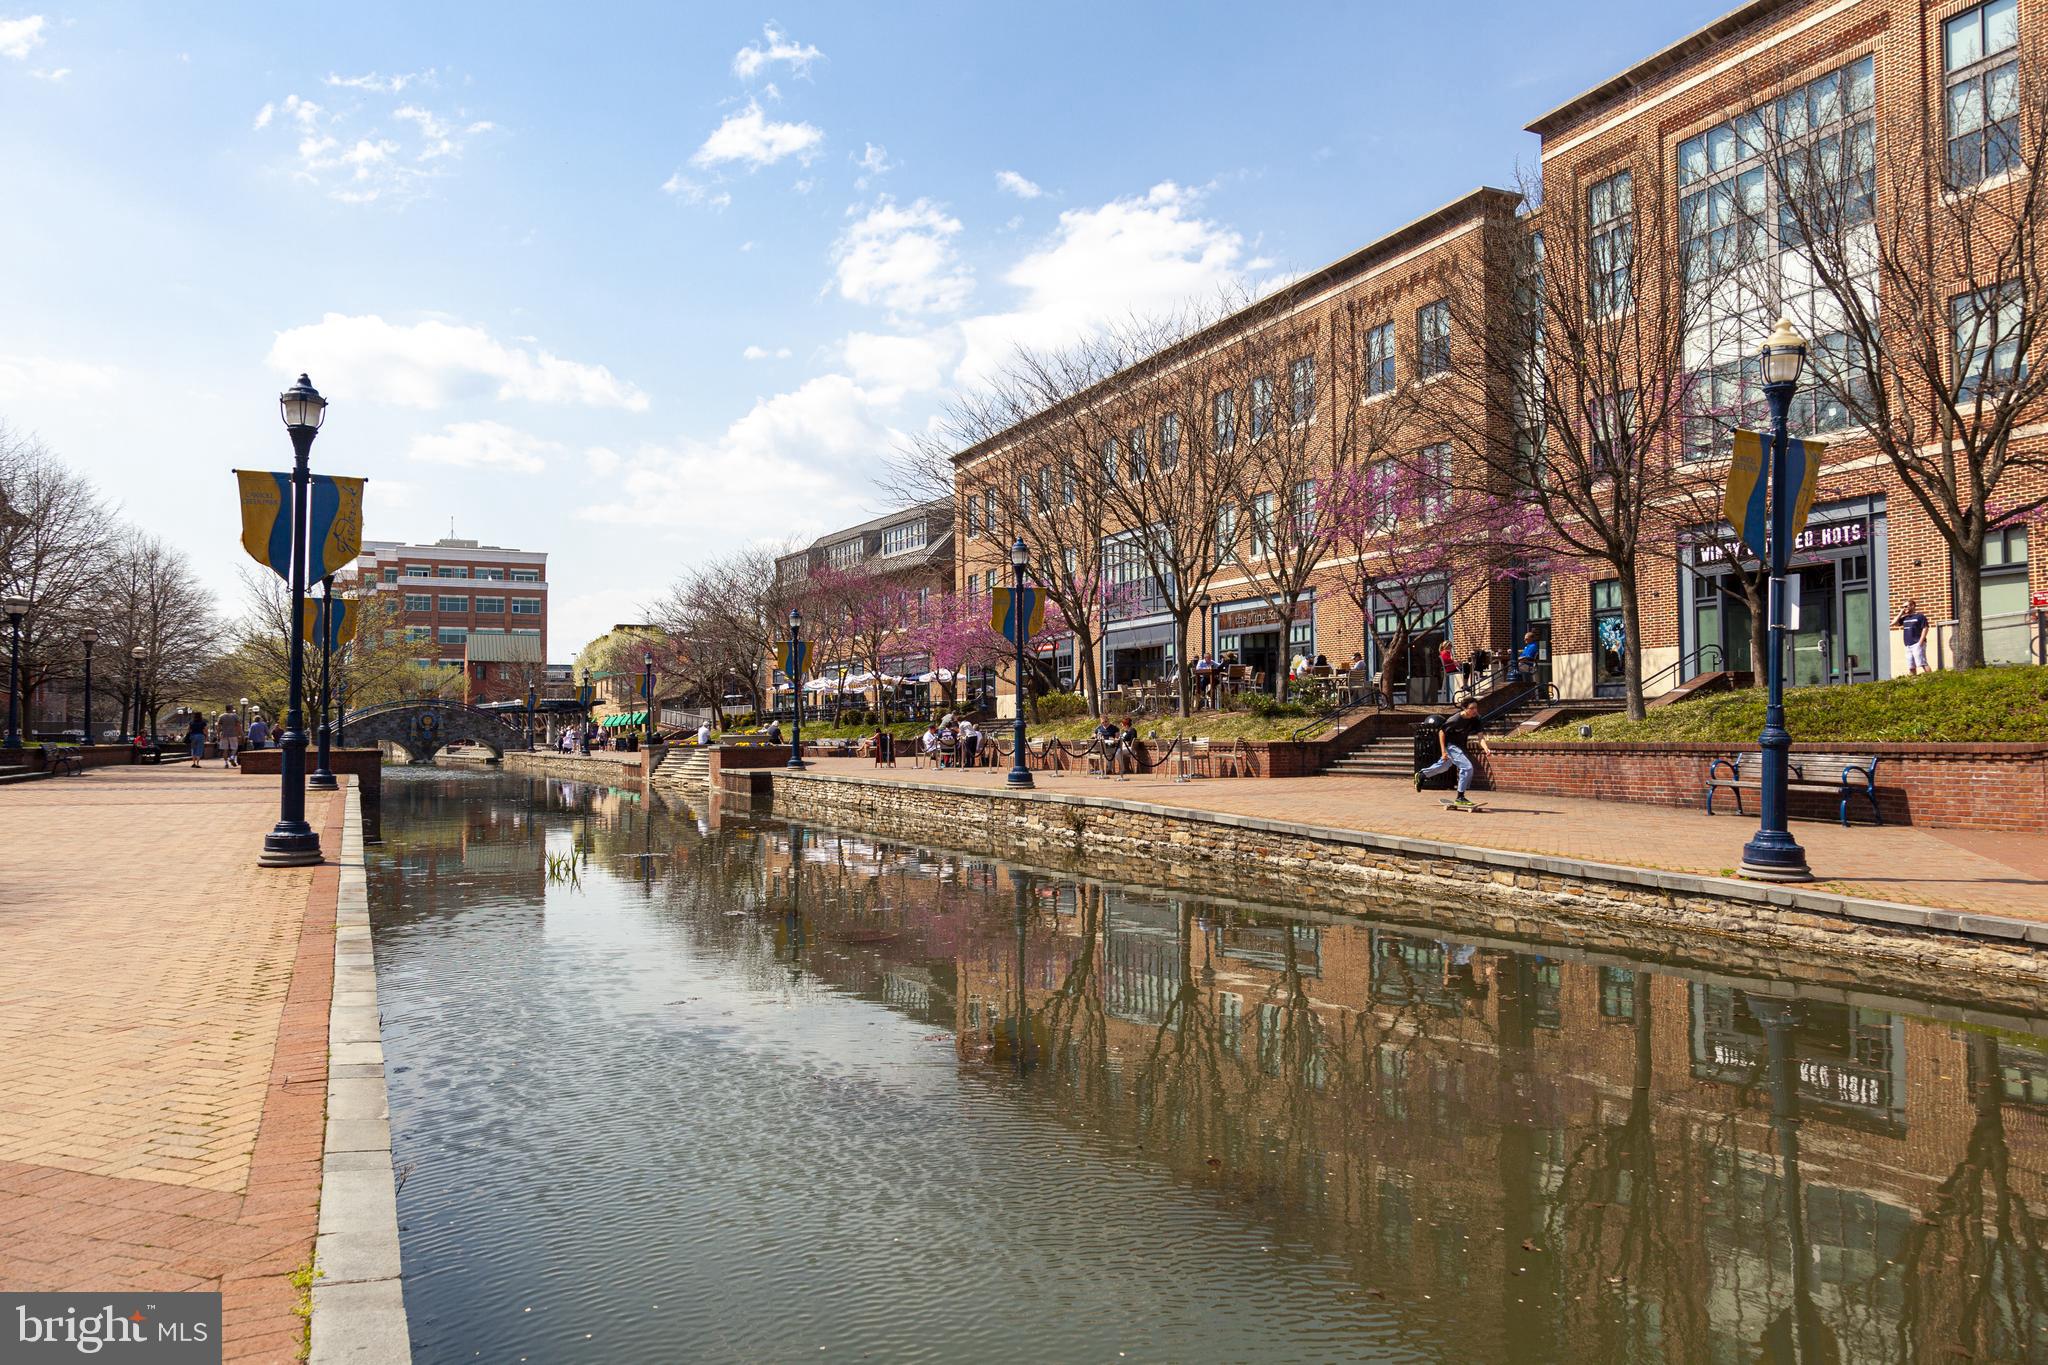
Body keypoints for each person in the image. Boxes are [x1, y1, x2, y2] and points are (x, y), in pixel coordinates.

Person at [1413, 698, 1492, 809]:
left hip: (1459, 747)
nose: (1475, 710)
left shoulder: (1476, 719)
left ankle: (1422, 775)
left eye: (1476, 708)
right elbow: (1441, 732)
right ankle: (1460, 797)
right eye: (1472, 708)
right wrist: (1443, 751)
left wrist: (1486, 748)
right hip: (1450, 745)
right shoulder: (1456, 719)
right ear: (1465, 709)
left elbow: (1480, 737)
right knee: (1467, 767)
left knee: (1443, 766)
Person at [1894, 598, 1931, 675]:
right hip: (1908, 645)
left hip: (1917, 643)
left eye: (1906, 606)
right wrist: (1901, 613)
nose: (1904, 608)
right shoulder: (1905, 618)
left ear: (1913, 606)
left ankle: (1931, 679)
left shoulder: (1920, 616)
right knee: (1911, 667)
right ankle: (1912, 683)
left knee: (1923, 663)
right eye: (1903, 607)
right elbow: (1894, 623)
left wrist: (1920, 642)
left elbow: (1925, 628)